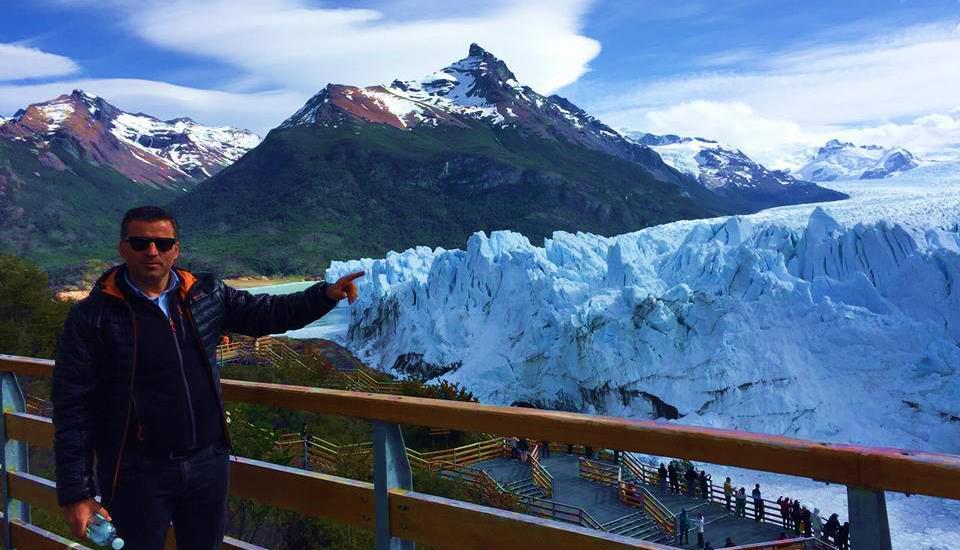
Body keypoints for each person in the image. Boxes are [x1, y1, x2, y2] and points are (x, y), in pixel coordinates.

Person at [52, 206, 363, 549]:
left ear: (176, 249)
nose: (152, 251)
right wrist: (75, 493)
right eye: (140, 243)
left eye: (162, 242)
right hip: (136, 471)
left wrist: (323, 296)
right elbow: (73, 405)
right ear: (123, 248)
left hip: (207, 463)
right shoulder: (93, 316)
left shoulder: (204, 294)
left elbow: (267, 314)